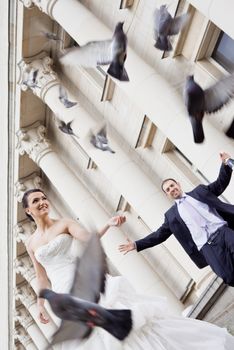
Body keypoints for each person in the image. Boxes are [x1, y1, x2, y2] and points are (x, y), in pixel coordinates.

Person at [23, 188, 234, 349]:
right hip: (62, 292)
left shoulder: (64, 224)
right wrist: (41, 305)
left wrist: (108, 224)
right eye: (36, 201)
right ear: (28, 210)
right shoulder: (31, 243)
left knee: (124, 326)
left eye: (43, 198)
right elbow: (41, 277)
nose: (42, 202)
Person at [119, 151, 234, 287]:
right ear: (167, 194)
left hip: (222, 231)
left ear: (178, 185)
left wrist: (225, 164)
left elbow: (220, 183)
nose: (171, 189)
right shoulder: (171, 216)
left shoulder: (200, 191)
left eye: (172, 186)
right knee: (228, 276)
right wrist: (137, 244)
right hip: (207, 246)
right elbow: (159, 235)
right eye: (168, 189)